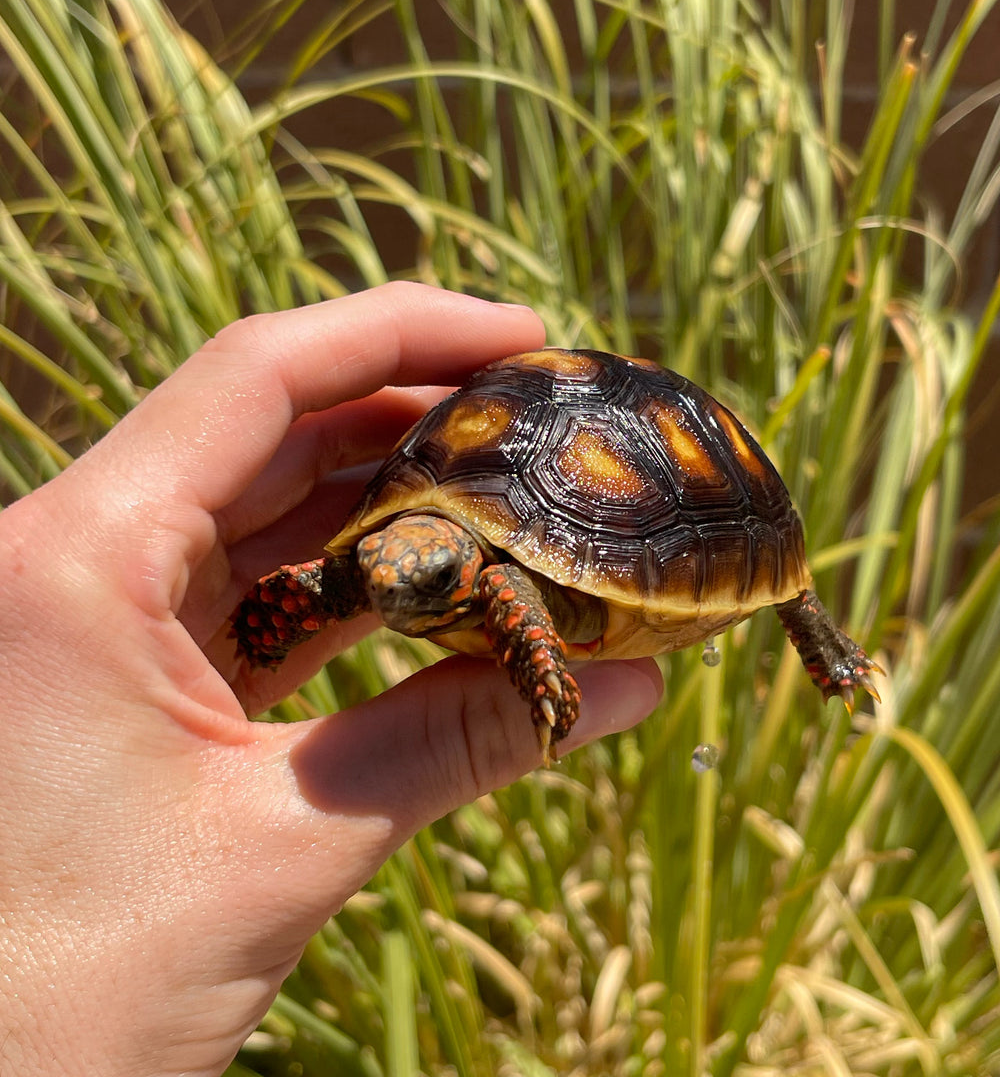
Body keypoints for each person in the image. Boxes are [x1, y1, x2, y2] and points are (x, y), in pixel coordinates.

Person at [0, 283, 663, 1076]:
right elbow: (338, 579)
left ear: (458, 570)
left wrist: (539, 673)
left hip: (597, 538)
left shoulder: (496, 584)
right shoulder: (391, 570)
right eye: (381, 582)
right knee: (325, 584)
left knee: (507, 601)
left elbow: (506, 592)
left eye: (418, 587)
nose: (391, 599)